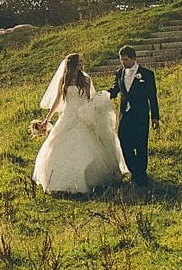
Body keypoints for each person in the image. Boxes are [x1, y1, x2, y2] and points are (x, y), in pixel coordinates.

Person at [29, 52, 128, 194]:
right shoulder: (64, 80)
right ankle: (57, 181)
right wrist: (47, 119)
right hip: (68, 115)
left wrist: (91, 113)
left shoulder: (86, 79)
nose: (81, 65)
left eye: (81, 62)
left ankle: (88, 179)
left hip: (82, 115)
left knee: (86, 144)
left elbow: (89, 100)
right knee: (56, 145)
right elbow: (57, 100)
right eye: (78, 62)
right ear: (71, 65)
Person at [106, 45, 160, 183]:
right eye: (121, 60)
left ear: (134, 59)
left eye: (126, 59)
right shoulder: (119, 73)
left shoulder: (147, 74)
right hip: (125, 114)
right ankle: (134, 169)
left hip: (141, 115)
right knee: (124, 141)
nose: (123, 62)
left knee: (141, 144)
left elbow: (152, 96)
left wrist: (155, 117)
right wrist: (102, 96)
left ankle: (141, 175)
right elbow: (115, 90)